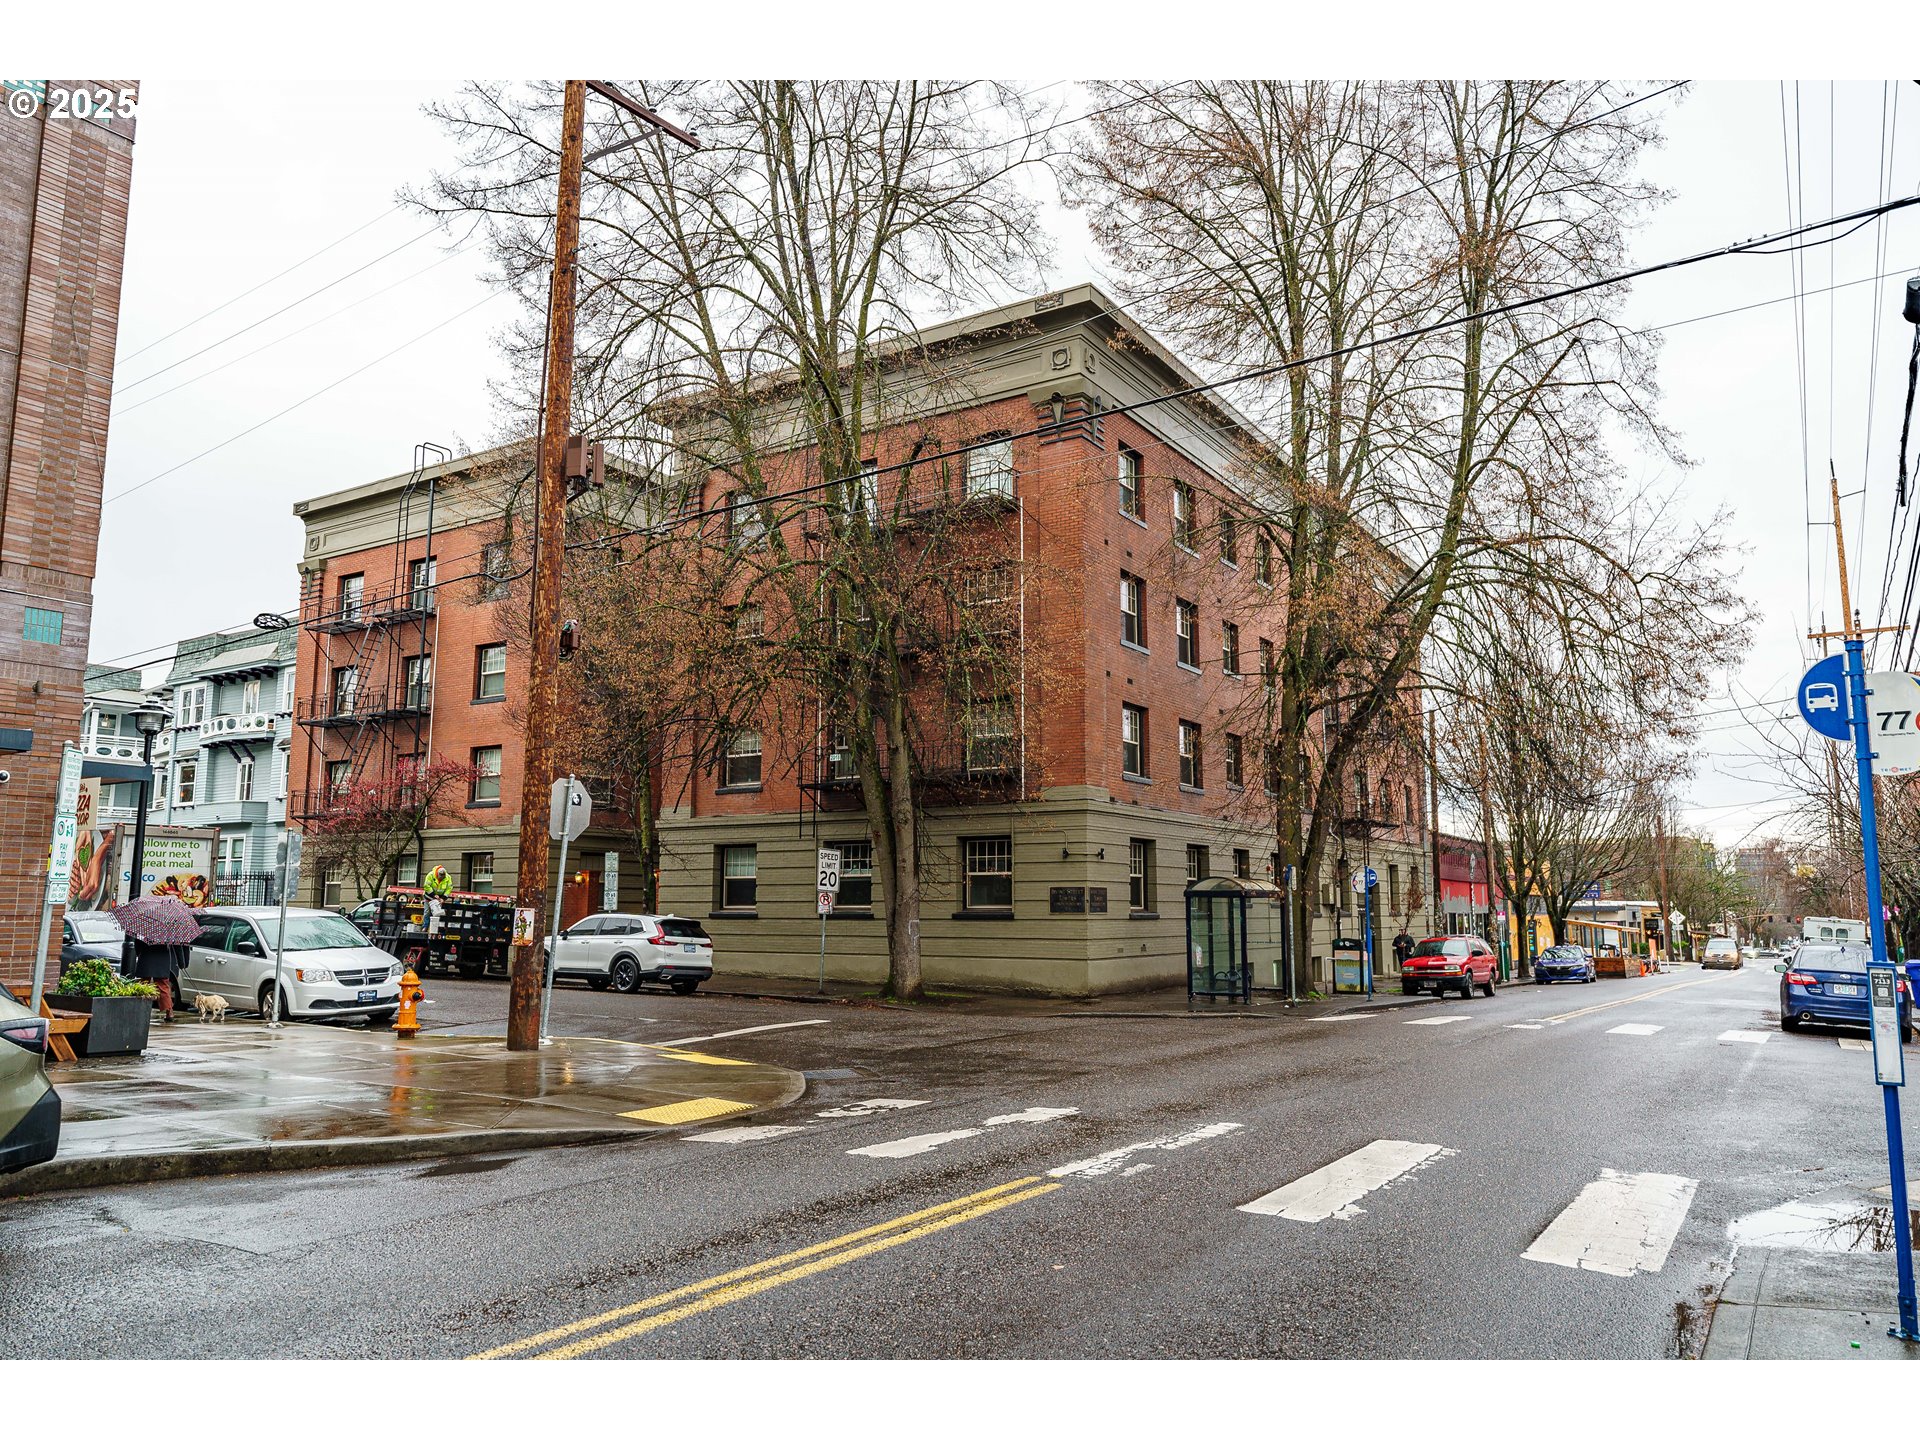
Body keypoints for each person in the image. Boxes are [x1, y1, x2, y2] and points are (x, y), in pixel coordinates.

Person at [128, 937, 186, 1022]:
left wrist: (138, 953)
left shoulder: (145, 926)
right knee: (163, 986)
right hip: (162, 957)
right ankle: (169, 1012)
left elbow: (138, 942)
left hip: (146, 956)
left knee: (143, 985)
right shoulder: (167, 927)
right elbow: (177, 945)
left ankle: (141, 1010)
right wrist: (181, 962)